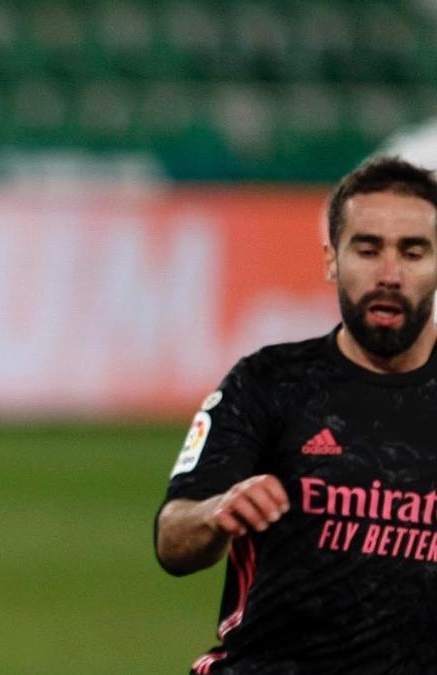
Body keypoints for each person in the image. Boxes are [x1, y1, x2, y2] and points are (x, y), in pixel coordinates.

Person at [155, 157, 437, 674]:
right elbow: (173, 539)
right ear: (332, 260)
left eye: (412, 252)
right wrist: (217, 512)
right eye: (367, 249)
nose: (390, 275)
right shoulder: (269, 383)